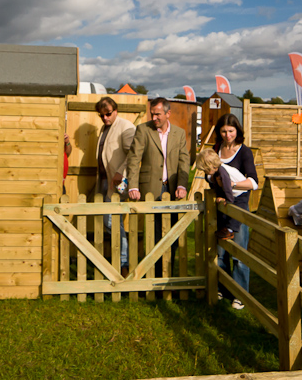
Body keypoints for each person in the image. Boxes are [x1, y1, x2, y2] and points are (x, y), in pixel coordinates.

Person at [127, 97, 190, 276]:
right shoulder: (143, 130)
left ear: (168, 114)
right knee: (154, 234)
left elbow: (184, 162)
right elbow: (133, 159)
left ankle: (169, 272)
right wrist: (133, 186)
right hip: (151, 189)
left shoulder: (179, 133)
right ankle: (153, 274)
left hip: (173, 190)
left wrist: (182, 185)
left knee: (173, 232)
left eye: (158, 114)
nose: (154, 118)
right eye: (152, 114)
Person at [213, 113, 258, 310]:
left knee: (238, 253)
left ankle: (240, 293)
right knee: (221, 251)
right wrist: (217, 186)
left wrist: (233, 185)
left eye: (231, 131)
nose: (227, 135)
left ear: (237, 131)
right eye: (223, 131)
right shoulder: (216, 149)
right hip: (221, 207)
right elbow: (211, 175)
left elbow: (254, 182)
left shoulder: (245, 152)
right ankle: (223, 288)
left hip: (239, 206)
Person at [95, 96, 136, 276]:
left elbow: (134, 154)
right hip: (105, 182)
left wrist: (121, 173)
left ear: (116, 110)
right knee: (110, 221)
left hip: (119, 182)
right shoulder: (105, 128)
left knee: (111, 220)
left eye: (108, 114)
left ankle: (123, 263)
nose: (105, 118)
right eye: (101, 115)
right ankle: (120, 261)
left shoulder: (125, 127)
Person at [196, 148, 245, 240]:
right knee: (222, 212)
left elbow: (227, 187)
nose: (205, 173)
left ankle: (230, 231)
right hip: (231, 192)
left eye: (205, 170)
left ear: (211, 167)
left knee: (235, 213)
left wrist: (228, 200)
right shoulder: (217, 171)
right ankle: (223, 229)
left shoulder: (222, 172)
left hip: (241, 193)